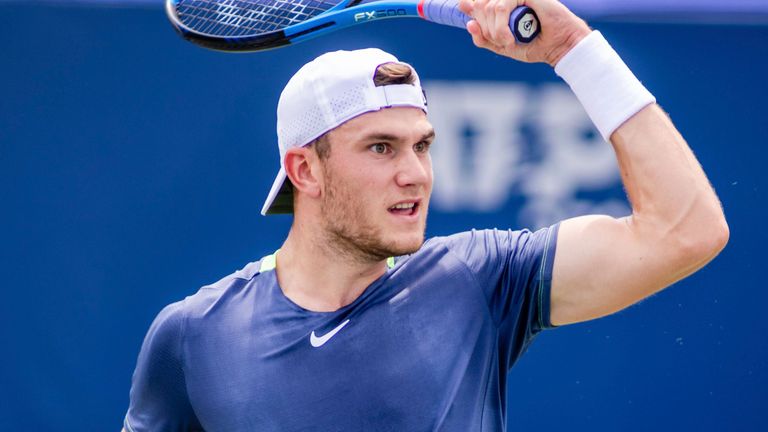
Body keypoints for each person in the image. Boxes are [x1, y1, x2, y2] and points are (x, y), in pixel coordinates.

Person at [123, 0, 728, 430]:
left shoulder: (483, 277)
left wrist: (572, 49)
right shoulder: (192, 336)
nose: (414, 172)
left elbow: (686, 230)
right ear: (304, 170)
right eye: (381, 148)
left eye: (422, 145)